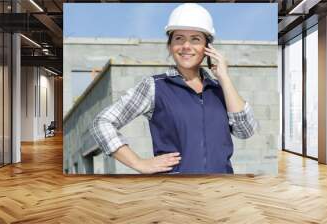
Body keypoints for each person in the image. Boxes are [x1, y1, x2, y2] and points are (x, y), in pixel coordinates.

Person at [91, 3, 257, 174]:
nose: (186, 46)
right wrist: (139, 163)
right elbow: (102, 123)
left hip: (221, 190)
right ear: (170, 46)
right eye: (179, 38)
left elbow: (245, 131)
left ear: (207, 48)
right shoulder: (154, 86)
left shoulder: (221, 90)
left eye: (195, 39)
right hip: (175, 193)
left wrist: (224, 79)